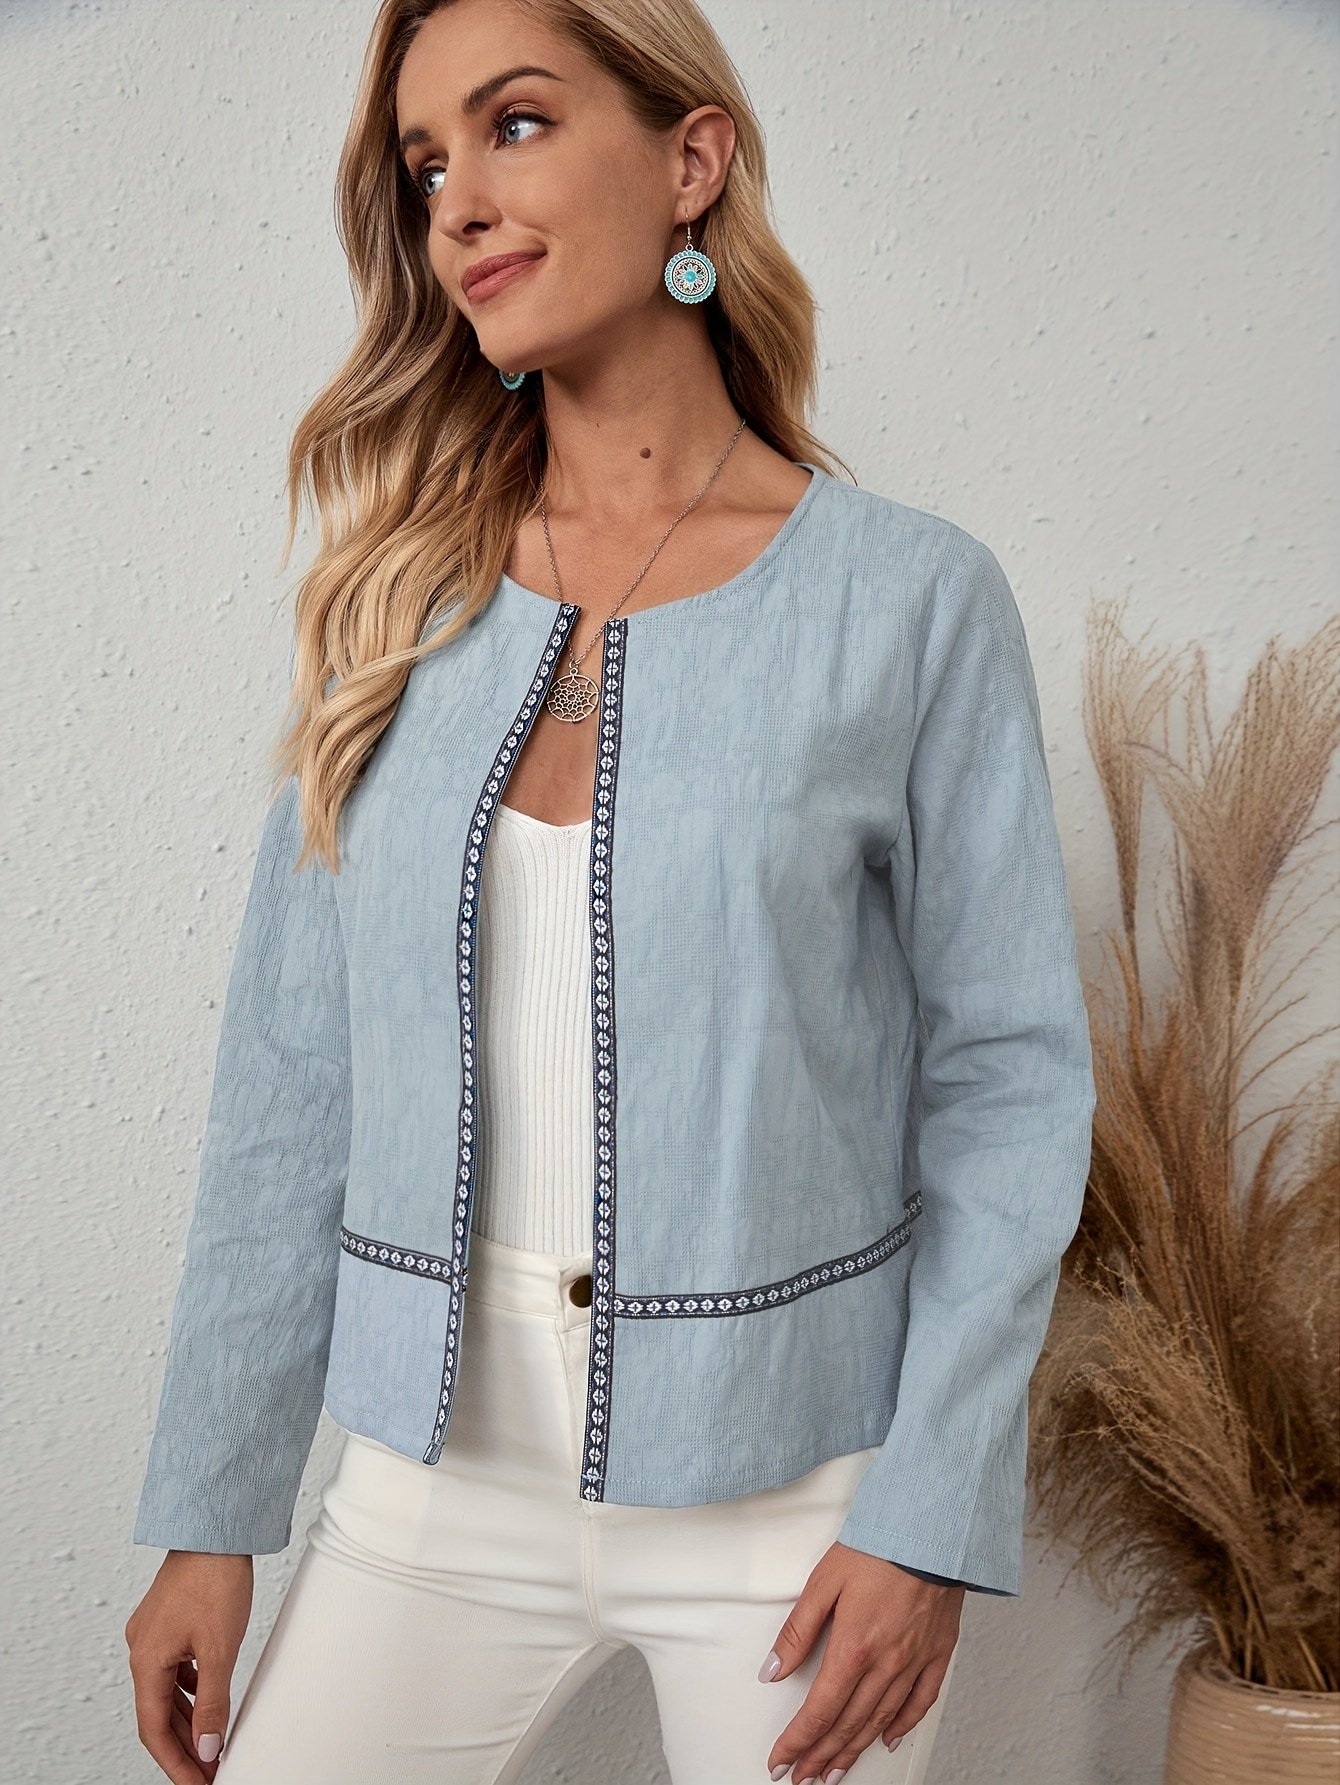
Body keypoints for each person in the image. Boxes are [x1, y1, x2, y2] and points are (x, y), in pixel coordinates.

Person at [123, 1, 1097, 1781]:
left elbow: (1009, 1080)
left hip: (795, 1505)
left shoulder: (907, 602)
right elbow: (288, 1087)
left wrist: (931, 1514)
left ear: (692, 160)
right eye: (426, 163)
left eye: (514, 124)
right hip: (431, 1482)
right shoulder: (393, 608)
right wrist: (211, 1507)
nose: (459, 203)